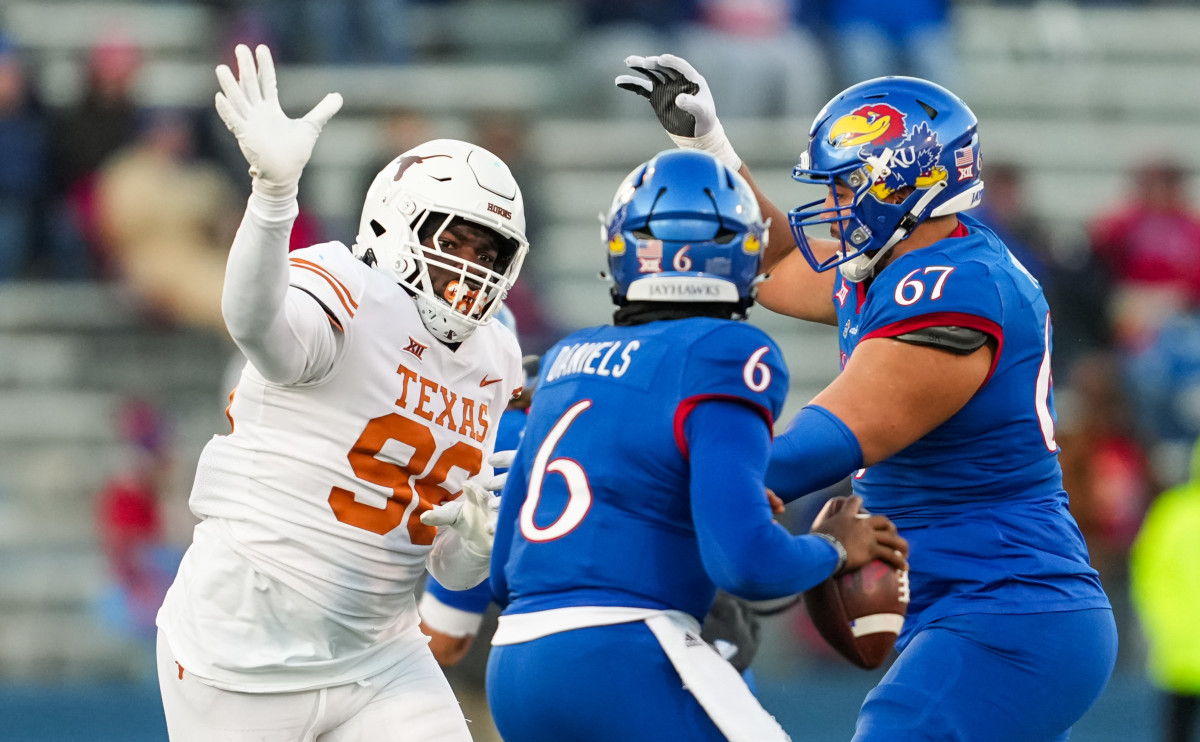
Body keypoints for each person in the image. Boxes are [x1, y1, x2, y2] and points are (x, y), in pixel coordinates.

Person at [619, 56, 1118, 741]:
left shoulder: (957, 289)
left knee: (897, 725)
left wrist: (631, 477)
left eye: (849, 185)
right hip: (965, 602)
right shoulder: (902, 261)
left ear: (907, 182)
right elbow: (769, 262)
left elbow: (824, 443)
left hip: (1005, 607)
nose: (837, 204)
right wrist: (709, 150)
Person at [154, 44, 528, 742]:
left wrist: (475, 549)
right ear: (395, 222)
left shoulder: (495, 355)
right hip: (239, 646)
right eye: (458, 241)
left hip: (380, 653)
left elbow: (446, 555)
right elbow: (256, 325)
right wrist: (272, 197)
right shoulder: (349, 291)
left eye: (491, 253)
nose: (470, 270)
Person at [485, 148, 909, 742]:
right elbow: (747, 564)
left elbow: (502, 576)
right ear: (742, 252)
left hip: (516, 668)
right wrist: (833, 549)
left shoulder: (561, 359)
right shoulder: (725, 353)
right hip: (625, 655)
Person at [1130, 435, 1200, 742]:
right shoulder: (1169, 512)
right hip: (1178, 656)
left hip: (1177, 655)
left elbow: (1147, 576)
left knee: (1176, 732)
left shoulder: (1170, 512)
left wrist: (1160, 624)